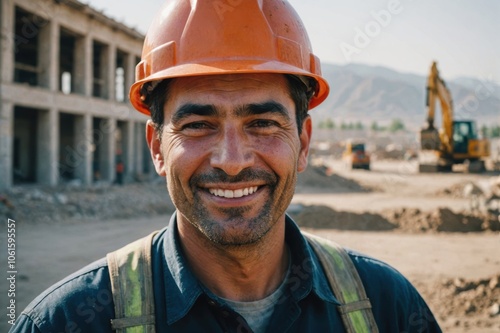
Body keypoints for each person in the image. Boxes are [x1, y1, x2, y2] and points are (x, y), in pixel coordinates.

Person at [10, 1, 442, 332]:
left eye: (262, 123)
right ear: (157, 148)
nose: (232, 162)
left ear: (303, 142)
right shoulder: (66, 321)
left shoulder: (389, 306)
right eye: (198, 125)